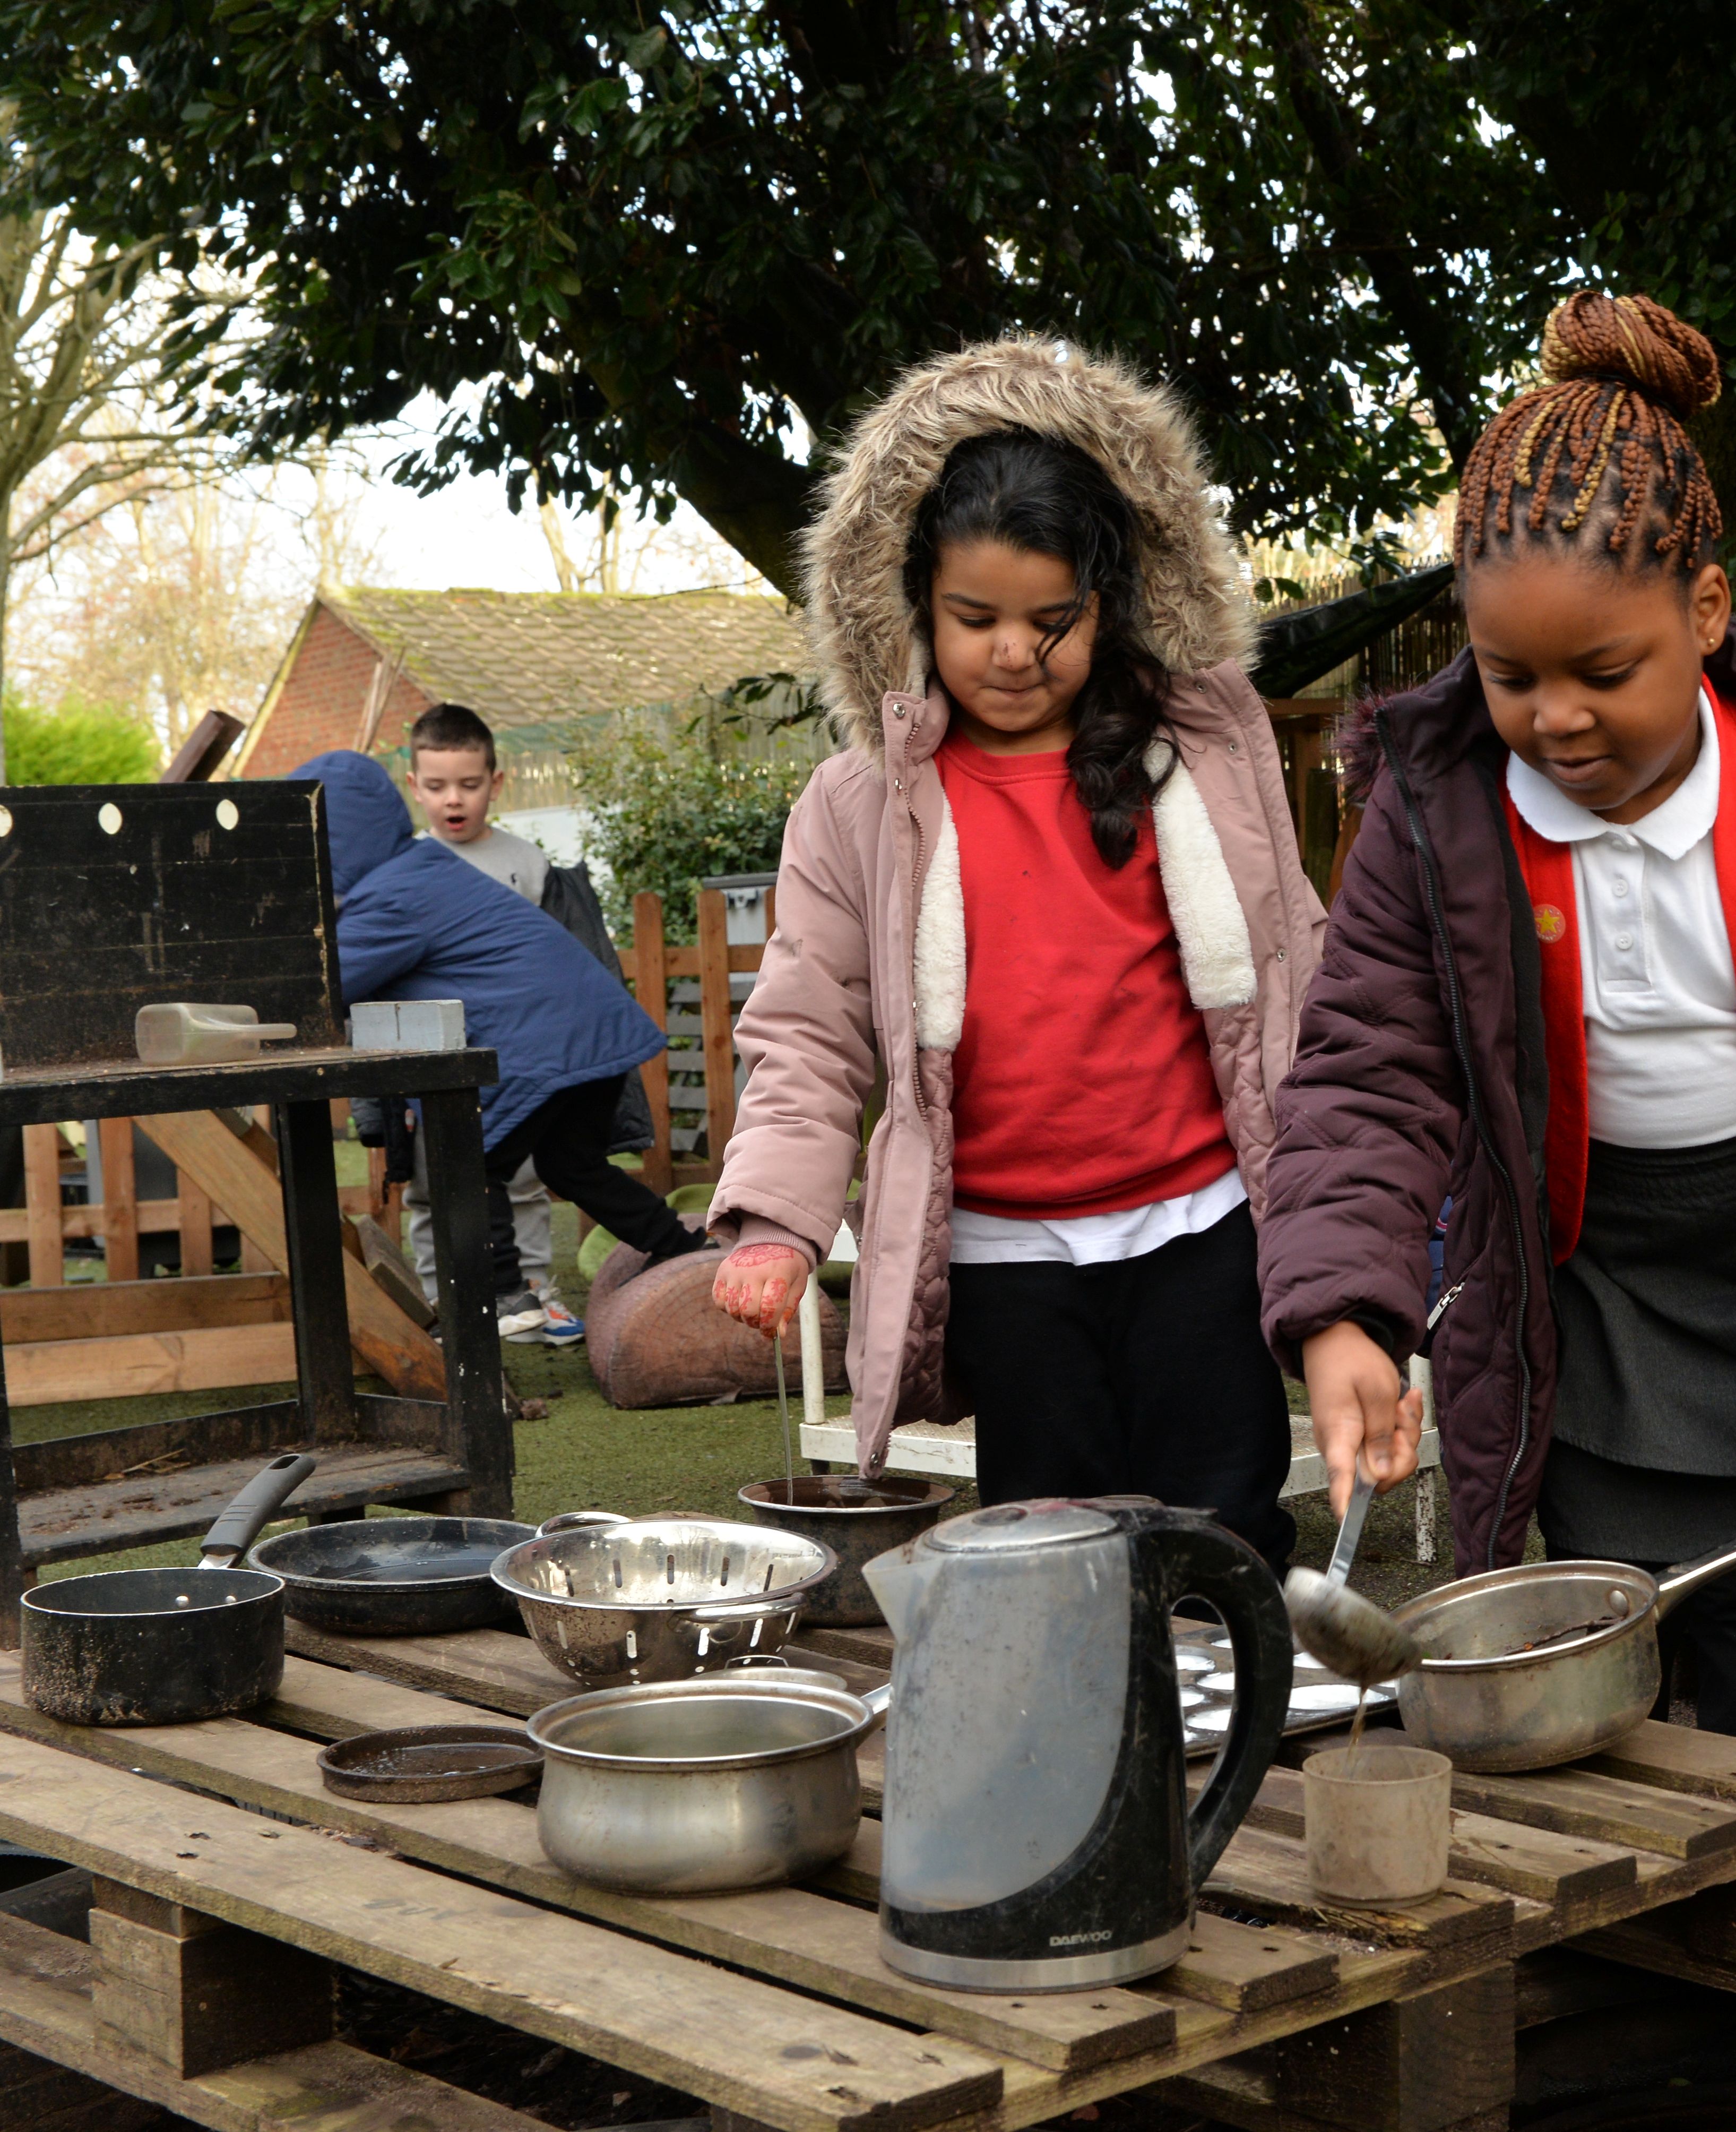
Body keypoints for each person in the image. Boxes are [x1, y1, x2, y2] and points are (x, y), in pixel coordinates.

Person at [1258, 293, 1736, 1900]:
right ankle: (1719, 1938)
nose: (1552, 721)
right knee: (1666, 1621)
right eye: (1507, 678)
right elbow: (1366, 1066)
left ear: (1704, 611)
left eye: (1599, 674)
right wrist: (1345, 1308)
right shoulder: (1438, 817)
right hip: (1597, 1283)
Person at [702, 339, 1324, 1570]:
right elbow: (806, 1020)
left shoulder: (1193, 761)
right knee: (1051, 1552)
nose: (1012, 653)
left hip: (1203, 1227)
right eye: (974, 617)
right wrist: (777, 1216)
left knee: (1226, 1531)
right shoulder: (862, 803)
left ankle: (1233, 1753)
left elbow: (1299, 963)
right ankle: (1082, 1762)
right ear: (910, 603)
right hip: (1007, 1259)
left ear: (1115, 601)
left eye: (1053, 621)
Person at [299, 751, 710, 1319]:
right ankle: (682, 1246)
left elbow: (322, 985)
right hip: (591, 1030)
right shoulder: (419, 868)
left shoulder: (392, 895)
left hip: (549, 1042)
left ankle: (503, 1294)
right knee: (573, 1165)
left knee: (467, 1163)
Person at [385, 700, 657, 1345]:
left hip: (525, 1064)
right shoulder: (406, 873)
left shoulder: (527, 865)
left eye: (470, 784)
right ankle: (447, 1302)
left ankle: (531, 1298)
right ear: (413, 786)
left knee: (529, 1179)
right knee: (436, 1186)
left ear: (496, 783)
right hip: (443, 1061)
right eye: (437, 785)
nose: (455, 799)